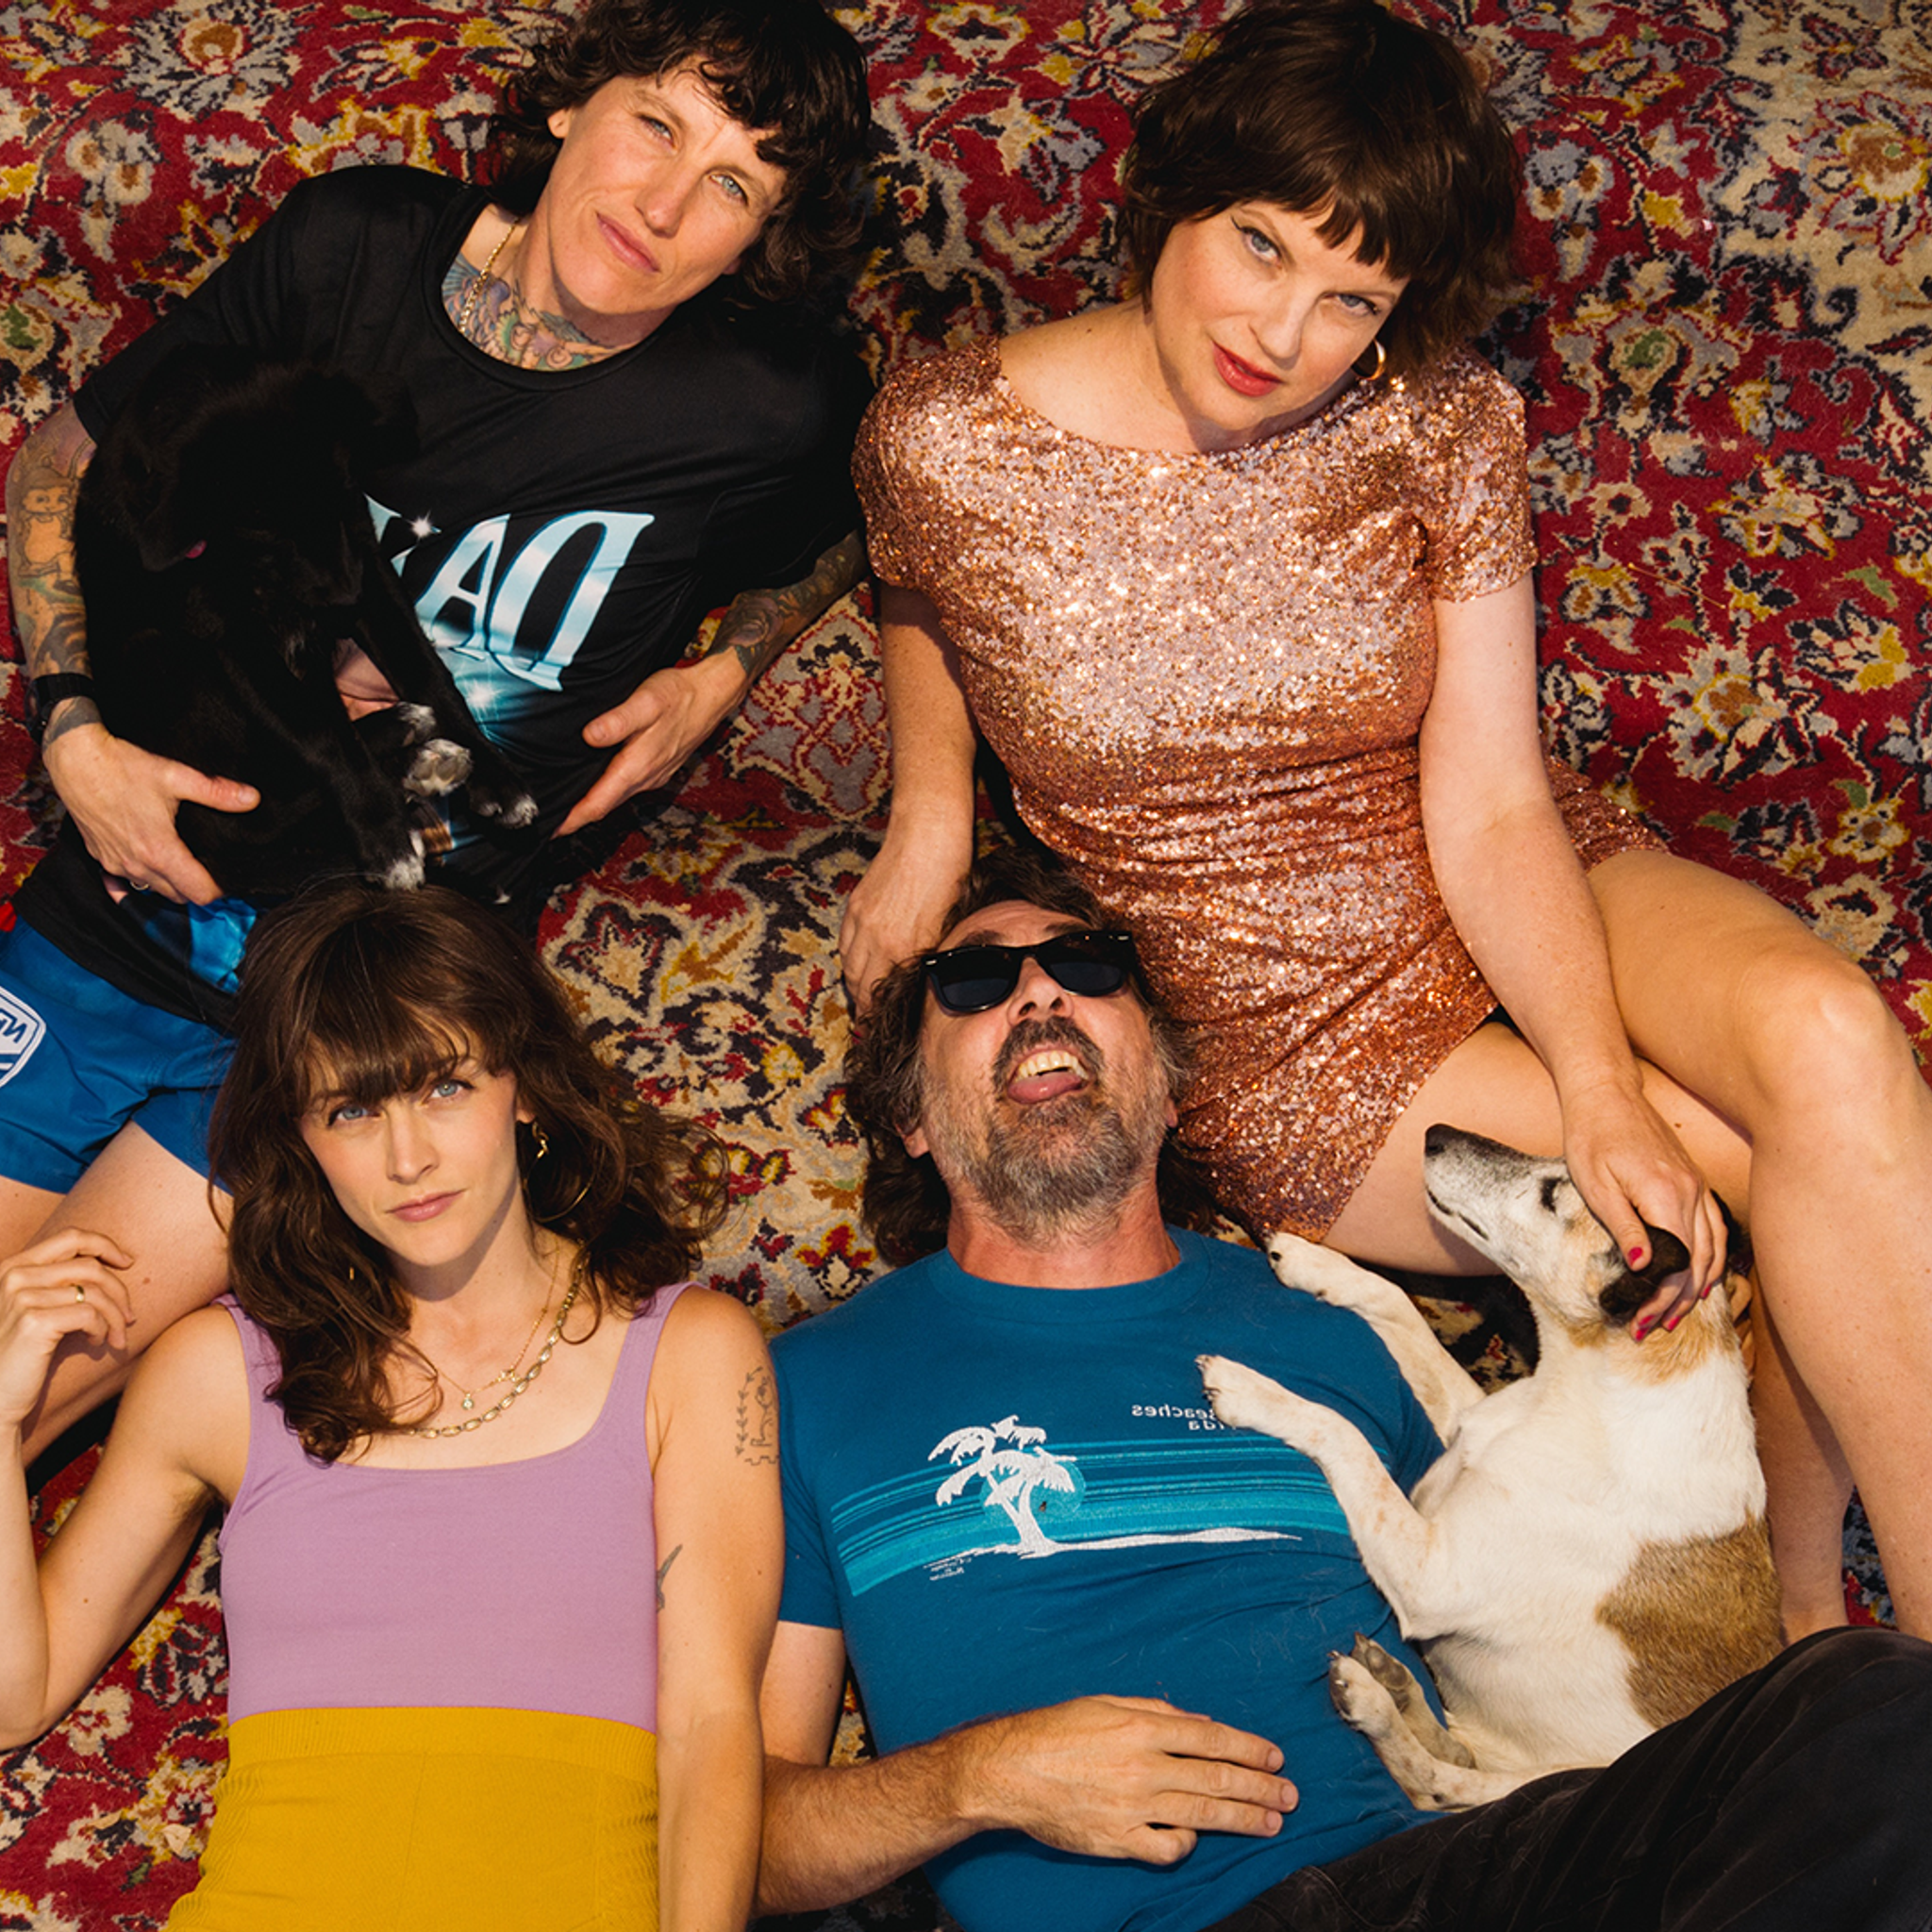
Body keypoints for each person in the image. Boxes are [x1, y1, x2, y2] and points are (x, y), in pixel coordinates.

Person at [835, 0, 1932, 1641]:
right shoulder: (941, 436)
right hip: (1288, 1018)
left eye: (1351, 298)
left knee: (1835, 1044)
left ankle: (1861, 1647)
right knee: (1775, 1175)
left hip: (1510, 862)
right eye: (1259, 247)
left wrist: (1592, 1083)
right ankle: (1807, 1638)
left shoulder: (1441, 416)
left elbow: (1490, 801)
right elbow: (916, 590)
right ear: (1172, 200)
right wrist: (930, 805)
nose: (1284, 331)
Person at [758, 849, 1932, 1932]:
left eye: (1087, 964)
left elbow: (1535, 1579)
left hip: (1461, 1873)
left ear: (1171, 1089)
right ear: (909, 1117)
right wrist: (978, 1776)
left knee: (1875, 1704)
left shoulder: (1330, 1321)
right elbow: (744, 1839)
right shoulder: (810, 1384)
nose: (1037, 992)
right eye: (972, 980)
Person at [1, 0, 872, 1459]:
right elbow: (63, 458)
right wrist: (72, 726)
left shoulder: (767, 406)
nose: (663, 206)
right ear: (573, 103)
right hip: (120, 913)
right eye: (655, 124)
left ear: (759, 242)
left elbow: (883, 508)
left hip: (353, 1021)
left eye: (732, 184)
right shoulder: (352, 252)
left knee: (14, 1390)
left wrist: (731, 666)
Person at [0, 882, 778, 1927]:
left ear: (524, 1087)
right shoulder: (220, 1374)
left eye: (444, 1086)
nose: (407, 1159)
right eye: (352, 1110)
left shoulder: (690, 1354)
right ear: (303, 1137)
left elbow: (711, 1728)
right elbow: (15, 1695)